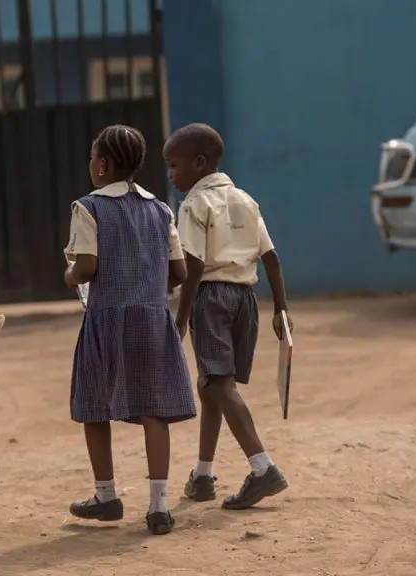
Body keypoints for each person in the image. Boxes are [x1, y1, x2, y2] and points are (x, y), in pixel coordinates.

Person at [65, 125, 196, 535]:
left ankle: (106, 496)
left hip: (106, 318)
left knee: (93, 406)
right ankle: (158, 505)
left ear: (102, 165)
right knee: (153, 409)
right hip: (152, 317)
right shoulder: (160, 209)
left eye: (92, 156)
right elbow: (179, 271)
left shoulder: (87, 207)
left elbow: (87, 268)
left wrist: (70, 276)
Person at [165, 123, 291, 509]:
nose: (171, 175)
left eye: (174, 165)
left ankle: (261, 467)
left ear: (199, 164)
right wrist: (281, 308)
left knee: (219, 385)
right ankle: (202, 476)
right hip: (245, 299)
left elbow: (194, 263)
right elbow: (270, 255)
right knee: (211, 386)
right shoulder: (245, 200)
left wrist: (182, 318)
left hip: (212, 297)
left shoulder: (193, 205)